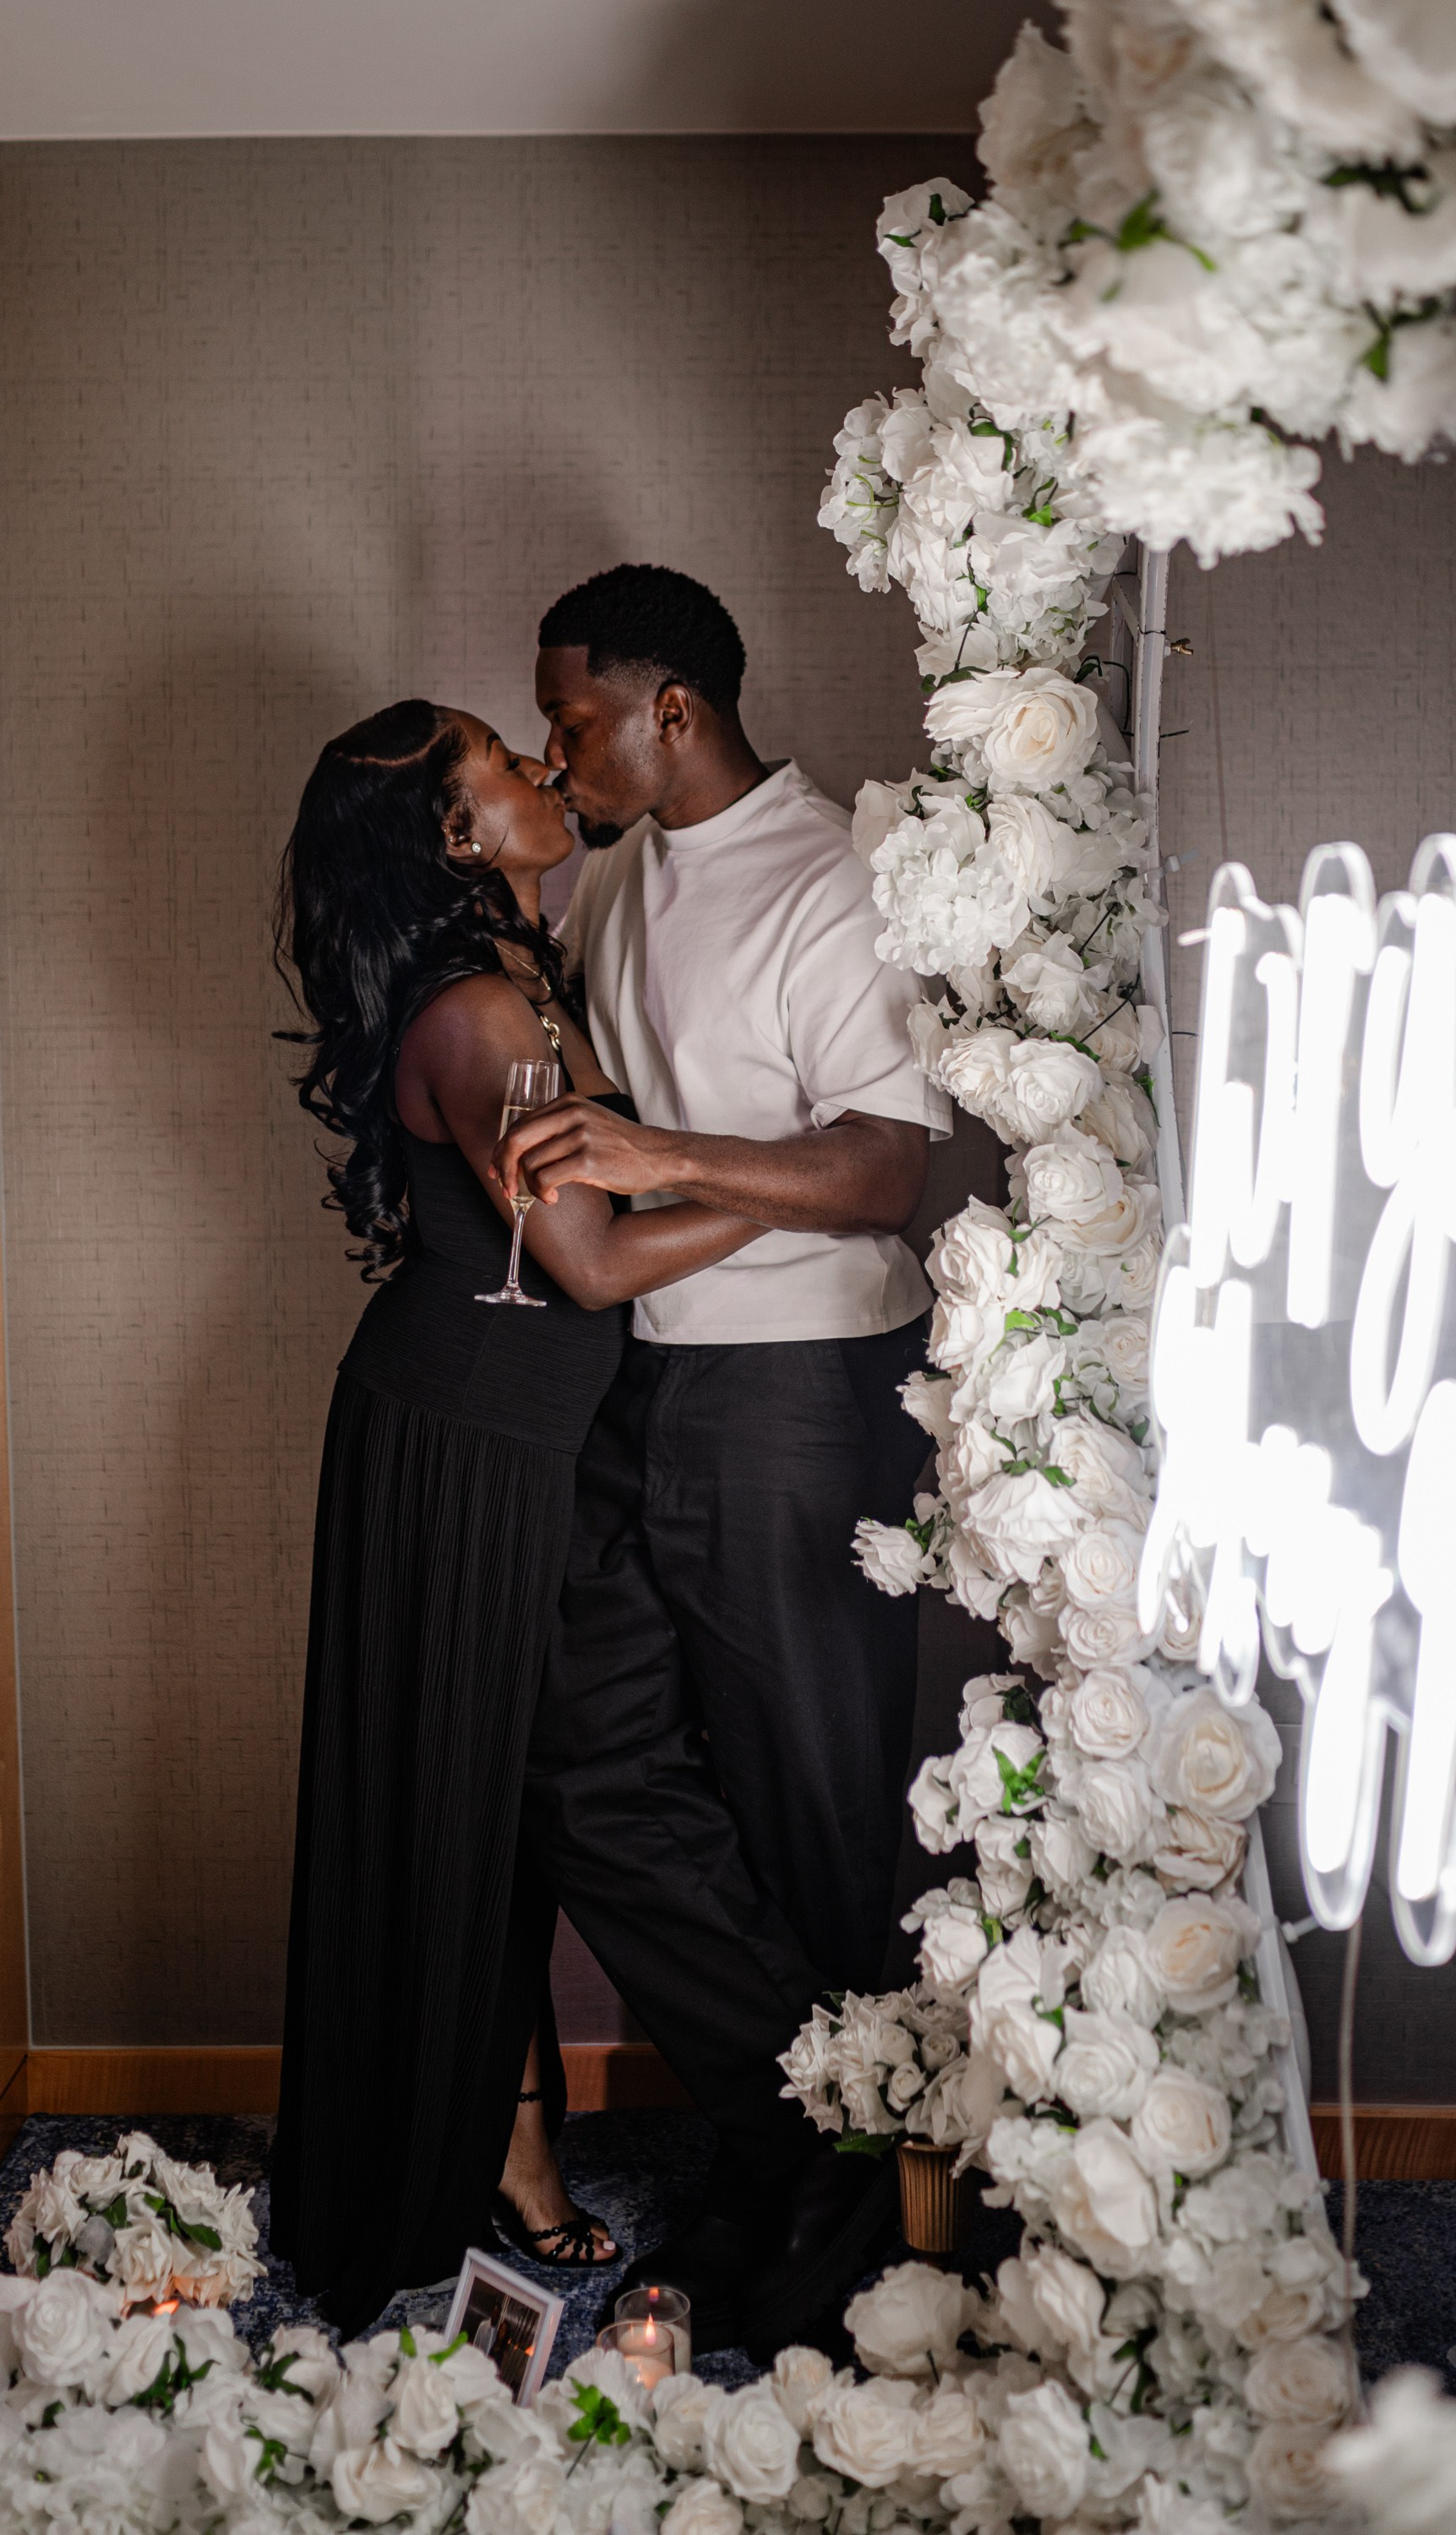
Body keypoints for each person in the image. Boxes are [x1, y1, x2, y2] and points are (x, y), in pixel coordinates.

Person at [494, 564, 950, 2352]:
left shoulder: (828, 874)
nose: (560, 752)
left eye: (576, 720)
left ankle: (853, 2243)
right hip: (637, 1390)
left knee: (816, 1816)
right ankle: (794, 2151)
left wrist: (658, 1156)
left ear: (671, 708)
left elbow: (883, 1166)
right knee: (601, 1776)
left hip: (803, 1395)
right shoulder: (607, 876)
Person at [269, 697, 762, 2334]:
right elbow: (597, 1261)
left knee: (501, 1797)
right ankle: (495, 2165)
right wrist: (807, 1175)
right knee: (466, 1804)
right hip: (469, 1446)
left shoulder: (527, 969)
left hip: (515, 1428)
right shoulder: (483, 1008)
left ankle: (513, 2153)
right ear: (458, 839)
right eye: (510, 766)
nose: (550, 771)